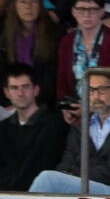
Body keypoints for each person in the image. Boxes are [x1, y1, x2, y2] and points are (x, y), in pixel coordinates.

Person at [29, 73, 110, 194]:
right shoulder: (81, 123)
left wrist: (74, 174)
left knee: (48, 180)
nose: (96, 96)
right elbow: (66, 163)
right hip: (80, 183)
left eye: (102, 90)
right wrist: (71, 174)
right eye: (90, 90)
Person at [56, 0, 110, 120]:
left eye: (92, 9)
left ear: (102, 12)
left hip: (108, 110)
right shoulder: (67, 41)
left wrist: (89, 110)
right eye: (81, 9)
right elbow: (62, 80)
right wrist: (66, 108)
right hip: (75, 109)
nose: (86, 15)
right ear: (73, 11)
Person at [0, 62, 65, 190]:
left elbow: (40, 168)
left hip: (39, 196)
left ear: (36, 90)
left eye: (25, 87)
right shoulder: (3, 128)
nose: (20, 93)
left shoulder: (53, 125)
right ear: (6, 93)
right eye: (14, 88)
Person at [0, 0, 61, 108]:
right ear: (14, 6)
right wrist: (8, 102)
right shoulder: (3, 34)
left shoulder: (55, 34)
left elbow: (52, 77)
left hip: (43, 103)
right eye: (23, 1)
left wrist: (34, 103)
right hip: (9, 102)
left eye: (33, 1)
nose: (28, 6)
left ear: (40, 6)